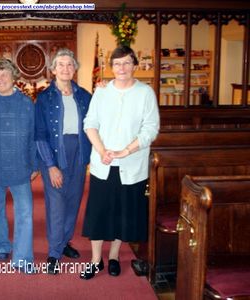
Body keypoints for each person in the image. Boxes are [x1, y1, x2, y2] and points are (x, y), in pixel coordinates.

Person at [80, 45, 160, 280]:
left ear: (135, 65)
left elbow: (151, 128)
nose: (122, 68)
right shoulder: (102, 92)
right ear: (111, 68)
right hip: (103, 164)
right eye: (117, 64)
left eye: (126, 63)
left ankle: (113, 256)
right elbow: (90, 123)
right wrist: (102, 150)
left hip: (132, 165)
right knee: (98, 213)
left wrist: (127, 150)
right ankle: (95, 261)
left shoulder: (145, 93)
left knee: (122, 214)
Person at [35, 48, 92, 274]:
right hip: (54, 153)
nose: (65, 69)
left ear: (75, 68)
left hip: (79, 152)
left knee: (73, 199)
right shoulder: (44, 98)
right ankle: (53, 252)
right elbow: (39, 134)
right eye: (61, 65)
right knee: (56, 203)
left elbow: (94, 125)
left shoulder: (85, 95)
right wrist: (50, 165)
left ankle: (65, 241)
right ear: (53, 69)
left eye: (70, 65)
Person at [0, 58, 38, 273]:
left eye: (4, 74)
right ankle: (1, 246)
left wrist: (35, 165)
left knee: (24, 213)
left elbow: (33, 136)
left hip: (20, 166)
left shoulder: (26, 103)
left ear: (13, 76)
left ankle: (23, 258)